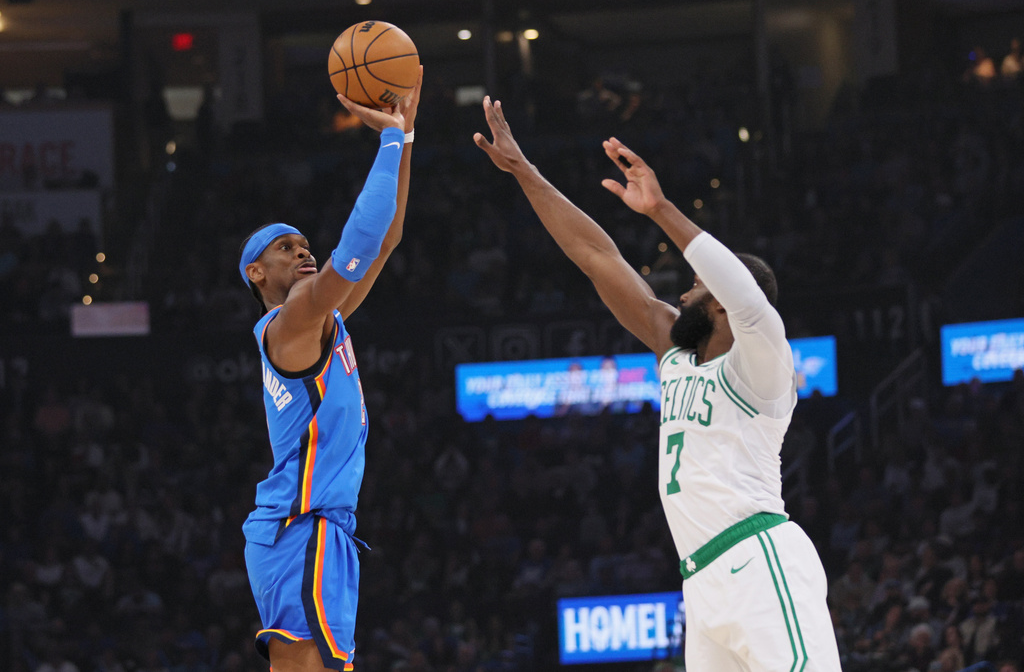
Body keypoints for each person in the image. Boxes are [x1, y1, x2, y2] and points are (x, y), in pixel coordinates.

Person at [474, 96, 841, 671]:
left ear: (722, 302)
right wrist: (526, 172)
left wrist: (662, 209)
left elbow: (743, 290)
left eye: (696, 285)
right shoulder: (675, 351)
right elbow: (596, 255)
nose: (684, 290)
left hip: (760, 557)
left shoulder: (762, 362)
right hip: (701, 579)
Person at [239, 69, 421, 672]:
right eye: (285, 248)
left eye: (304, 243)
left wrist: (408, 135)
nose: (302, 250)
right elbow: (358, 243)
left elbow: (387, 237)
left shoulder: (325, 318)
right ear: (256, 275)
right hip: (298, 527)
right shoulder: (288, 325)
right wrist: (387, 141)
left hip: (322, 527)